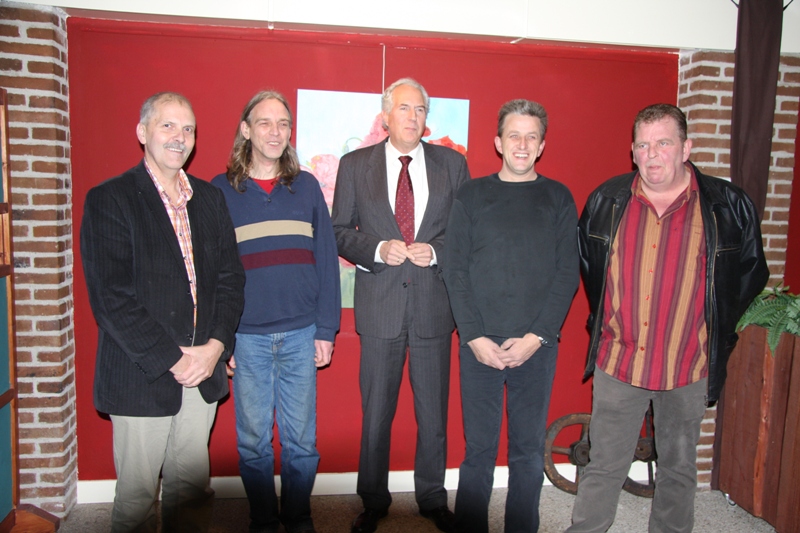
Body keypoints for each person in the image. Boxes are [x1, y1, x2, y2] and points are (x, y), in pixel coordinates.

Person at [567, 103, 769, 533]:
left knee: (678, 469)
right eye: (642, 145)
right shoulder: (606, 201)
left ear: (686, 148)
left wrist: (713, 326)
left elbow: (750, 274)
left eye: (663, 143)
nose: (652, 154)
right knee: (603, 465)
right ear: (632, 151)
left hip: (687, 364)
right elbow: (589, 266)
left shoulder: (727, 206)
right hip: (620, 362)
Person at [80, 92, 245, 532]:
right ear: (142, 132)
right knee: (136, 500)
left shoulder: (209, 199)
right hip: (142, 374)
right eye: (167, 125)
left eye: (188, 128)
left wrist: (215, 348)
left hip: (202, 372)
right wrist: (176, 360)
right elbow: (111, 299)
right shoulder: (110, 199)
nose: (179, 137)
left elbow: (231, 280)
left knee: (191, 492)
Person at [331, 77, 470, 533]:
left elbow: (466, 233)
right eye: (405, 108)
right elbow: (338, 231)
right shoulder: (355, 166)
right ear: (386, 115)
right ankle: (373, 501)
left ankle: (432, 498)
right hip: (380, 309)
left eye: (420, 110)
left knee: (434, 416)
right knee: (376, 416)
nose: (413, 117)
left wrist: (437, 251)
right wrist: (376, 248)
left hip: (433, 308)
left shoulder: (453, 165)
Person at [443, 99, 579, 533]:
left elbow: (567, 273)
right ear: (498, 142)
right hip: (478, 347)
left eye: (531, 137)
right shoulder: (471, 195)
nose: (522, 144)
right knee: (479, 451)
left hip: (535, 348)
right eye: (514, 135)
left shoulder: (558, 197)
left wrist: (537, 337)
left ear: (541, 146)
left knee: (527, 452)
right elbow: (454, 269)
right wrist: (474, 337)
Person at [211, 90, 341, 533]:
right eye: (264, 122)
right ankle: (263, 520)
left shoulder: (306, 186)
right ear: (246, 130)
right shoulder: (220, 191)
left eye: (283, 123)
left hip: (302, 333)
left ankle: (299, 518)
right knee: (253, 443)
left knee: (302, 442)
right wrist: (220, 340)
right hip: (245, 337)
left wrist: (326, 329)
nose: (275, 132)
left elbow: (326, 259)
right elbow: (212, 273)